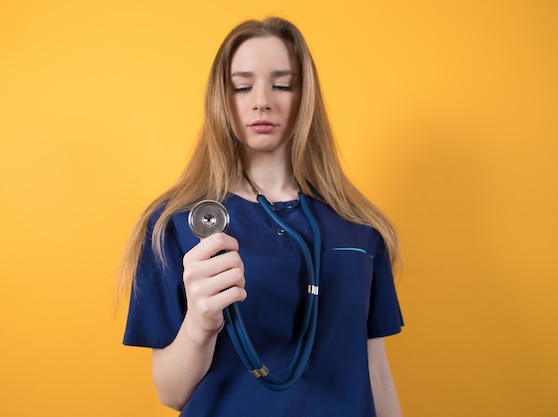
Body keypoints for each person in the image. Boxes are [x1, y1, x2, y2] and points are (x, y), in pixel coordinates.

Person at [117, 17, 404, 417]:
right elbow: (171, 394)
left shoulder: (360, 227)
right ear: (221, 98)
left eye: (282, 84)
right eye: (242, 86)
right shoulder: (175, 225)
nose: (262, 101)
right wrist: (201, 322)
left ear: (306, 97)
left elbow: (376, 375)